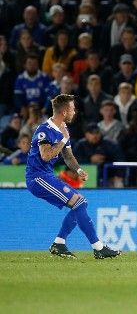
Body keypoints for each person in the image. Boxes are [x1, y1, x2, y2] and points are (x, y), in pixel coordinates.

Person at [25, 94, 120, 259]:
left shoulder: (63, 129)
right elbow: (46, 156)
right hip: (37, 178)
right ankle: (97, 248)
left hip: (47, 175)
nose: (74, 112)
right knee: (79, 203)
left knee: (80, 203)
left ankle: (60, 243)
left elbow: (67, 156)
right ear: (63, 111)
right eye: (72, 109)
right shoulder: (44, 130)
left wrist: (78, 170)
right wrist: (63, 139)